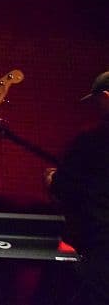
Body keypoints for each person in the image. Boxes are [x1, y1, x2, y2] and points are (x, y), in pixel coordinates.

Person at [46, 70, 109, 304]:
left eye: (96, 102)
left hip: (99, 248)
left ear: (106, 97)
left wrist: (52, 180)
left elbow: (64, 190)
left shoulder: (91, 140)